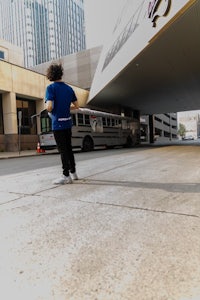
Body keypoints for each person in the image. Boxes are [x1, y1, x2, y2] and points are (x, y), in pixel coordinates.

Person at [45, 63, 79, 184]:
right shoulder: (69, 89)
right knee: (69, 148)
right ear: (60, 73)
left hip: (57, 124)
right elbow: (77, 106)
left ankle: (66, 176)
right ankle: (73, 173)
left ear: (50, 74)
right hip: (67, 123)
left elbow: (49, 107)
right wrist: (65, 108)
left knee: (63, 150)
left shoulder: (51, 88)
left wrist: (50, 109)